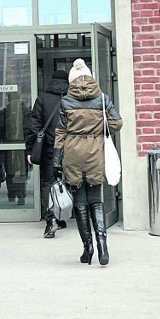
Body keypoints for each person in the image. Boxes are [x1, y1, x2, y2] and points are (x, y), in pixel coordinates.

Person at [53, 59, 123, 266]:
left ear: (71, 80)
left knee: (80, 201)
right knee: (95, 197)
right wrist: (100, 128)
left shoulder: (66, 101)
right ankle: (103, 245)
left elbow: (60, 132)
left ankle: (87, 248)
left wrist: (57, 160)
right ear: (91, 77)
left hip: (73, 153)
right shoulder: (102, 98)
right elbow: (117, 123)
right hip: (96, 152)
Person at [25, 70, 69, 238]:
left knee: (49, 184)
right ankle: (67, 216)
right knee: (69, 183)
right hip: (70, 148)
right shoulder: (72, 98)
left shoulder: (43, 98)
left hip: (50, 149)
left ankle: (51, 219)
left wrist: (30, 149)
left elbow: (34, 125)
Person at [0, 92, 32, 205]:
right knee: (20, 172)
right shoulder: (25, 112)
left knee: (11, 171)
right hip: (19, 147)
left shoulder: (5, 113)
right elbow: (30, 129)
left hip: (10, 147)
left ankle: (13, 194)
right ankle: (20, 195)